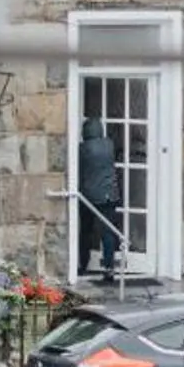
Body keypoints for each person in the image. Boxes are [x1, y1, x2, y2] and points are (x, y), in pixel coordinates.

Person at [77, 114, 123, 276]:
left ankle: (83, 265)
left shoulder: (82, 149)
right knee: (108, 232)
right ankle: (109, 267)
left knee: (86, 232)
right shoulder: (109, 145)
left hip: (88, 196)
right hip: (109, 194)